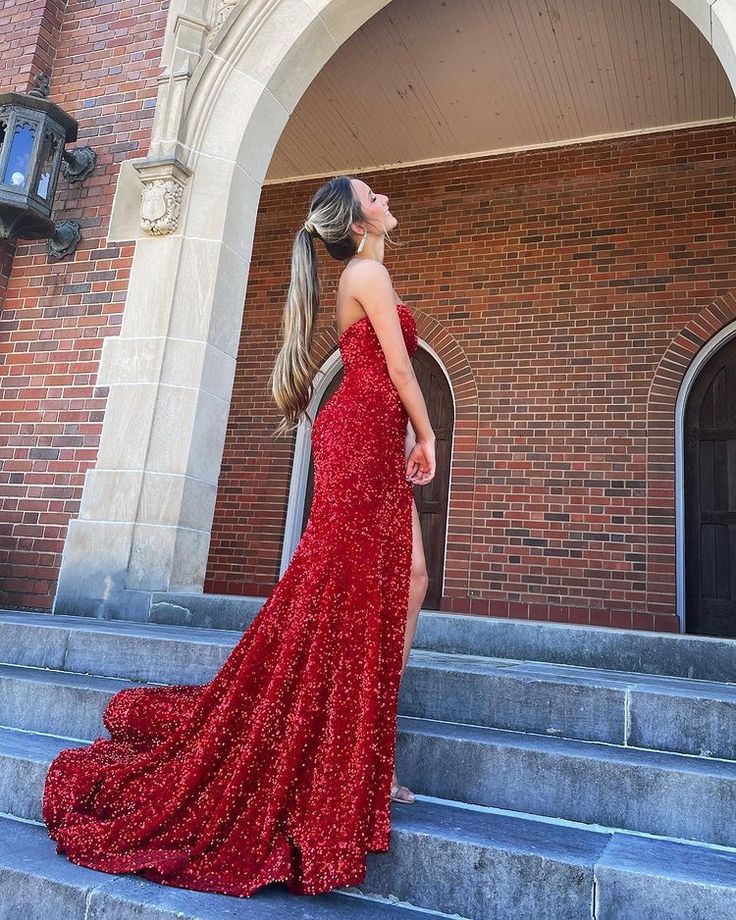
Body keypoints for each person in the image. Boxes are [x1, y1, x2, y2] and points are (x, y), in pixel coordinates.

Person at [42, 174, 437, 899]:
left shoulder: (370, 268)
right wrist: (430, 430)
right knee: (334, 590)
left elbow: (390, 367)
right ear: (357, 218)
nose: (383, 195)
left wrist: (405, 432)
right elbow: (401, 365)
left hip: (372, 439)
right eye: (372, 193)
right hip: (361, 441)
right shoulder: (368, 270)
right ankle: (354, 758)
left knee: (409, 579)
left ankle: (366, 749)